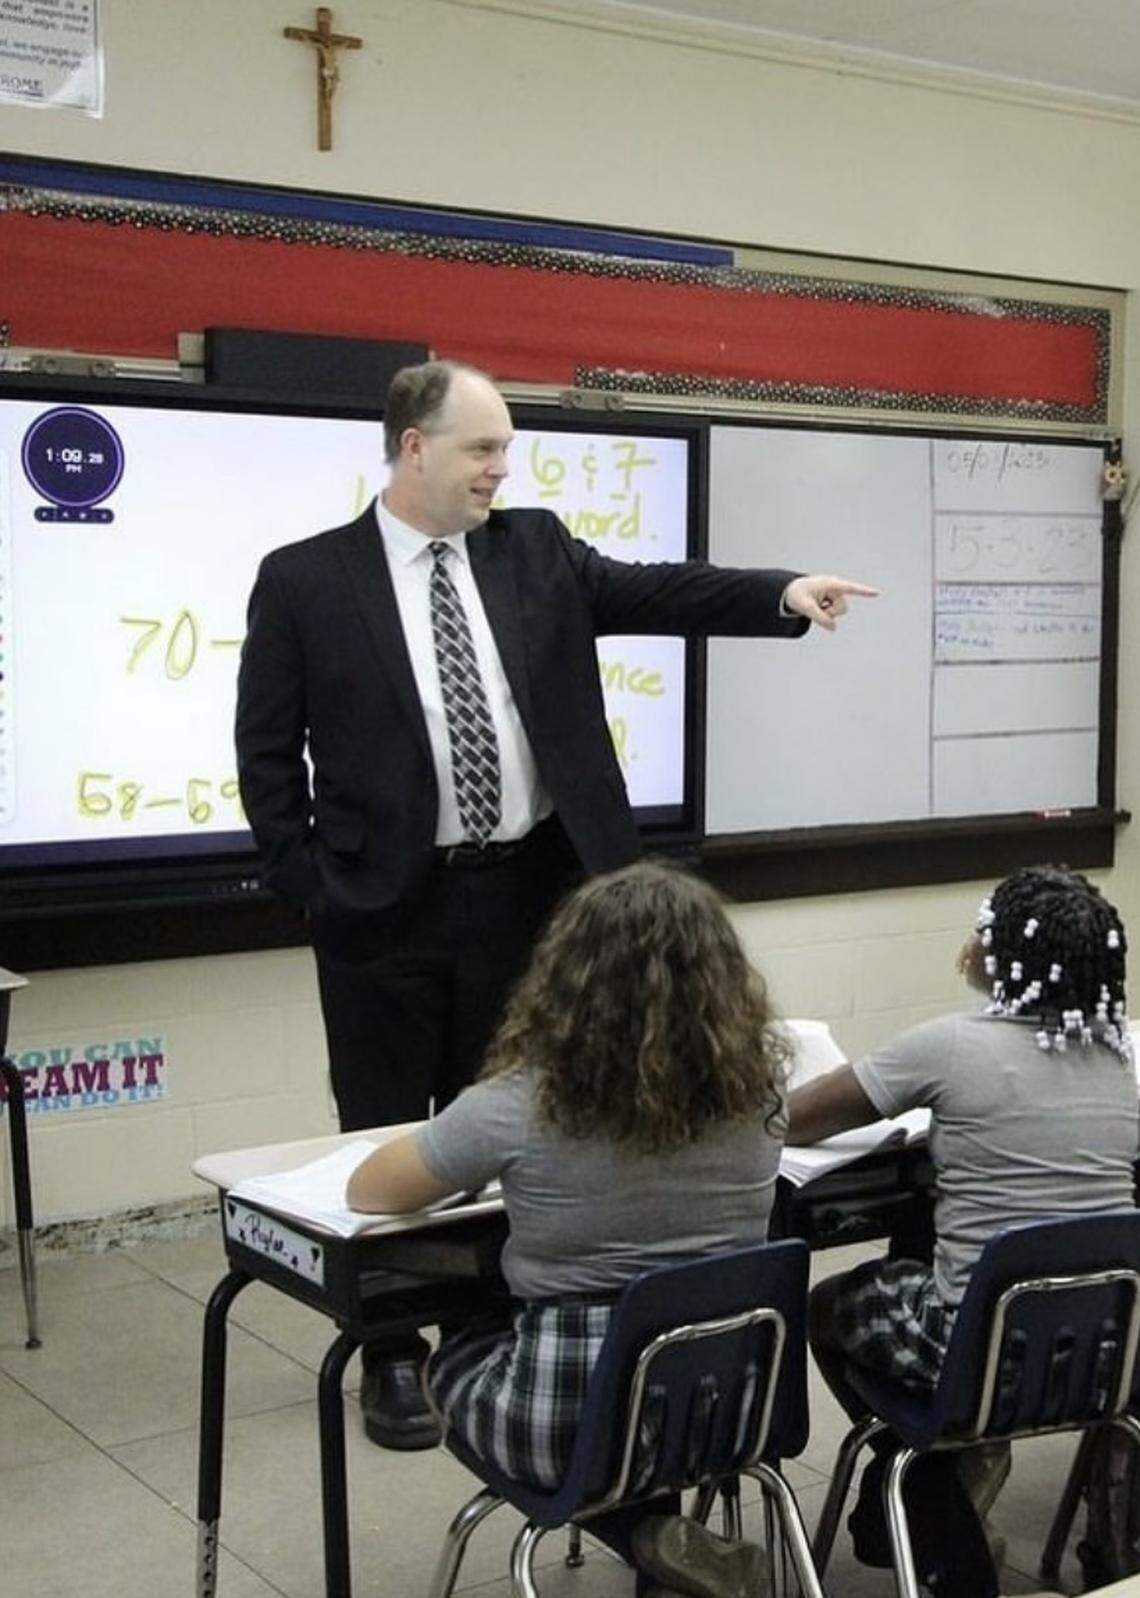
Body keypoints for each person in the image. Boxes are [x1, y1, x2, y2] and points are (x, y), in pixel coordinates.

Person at [235, 357, 876, 1449]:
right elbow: (265, 749)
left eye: (505, 448)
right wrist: (312, 885)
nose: (501, 466)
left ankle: (492, 1315)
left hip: (536, 892)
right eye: (483, 447)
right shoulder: (305, 579)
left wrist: (779, 591)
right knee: (387, 1121)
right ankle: (392, 1348)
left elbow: (656, 589)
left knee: (519, 1118)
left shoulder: (533, 549)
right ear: (414, 447)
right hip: (381, 907)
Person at [346, 858, 789, 1597]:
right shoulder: (761, 1097)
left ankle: (644, 1535)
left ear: (567, 978)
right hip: (727, 1405)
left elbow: (371, 1192)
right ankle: (659, 1542)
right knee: (651, 1353)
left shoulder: (517, 1105)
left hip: (563, 1425)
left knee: (456, 1346)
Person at [786, 865, 1139, 1598]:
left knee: (829, 1306)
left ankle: (926, 1484)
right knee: (927, 1260)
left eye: (985, 926)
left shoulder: (945, 1047)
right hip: (1108, 1359)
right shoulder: (1122, 1063)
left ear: (1005, 952)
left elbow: (796, 1118)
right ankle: (938, 1473)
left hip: (977, 1356)